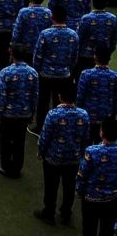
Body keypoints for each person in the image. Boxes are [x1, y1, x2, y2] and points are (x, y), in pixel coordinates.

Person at [35, 88, 88, 226]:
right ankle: (66, 213)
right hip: (73, 159)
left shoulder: (53, 114)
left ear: (59, 97)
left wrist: (41, 151)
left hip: (53, 158)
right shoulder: (84, 115)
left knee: (51, 186)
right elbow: (85, 138)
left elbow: (45, 136)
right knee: (69, 187)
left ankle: (49, 212)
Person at [0, 44, 39, 178]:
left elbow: (1, 95)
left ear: (12, 54)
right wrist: (32, 113)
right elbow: (34, 95)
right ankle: (17, 168)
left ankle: (6, 166)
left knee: (6, 141)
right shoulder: (33, 73)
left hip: (8, 114)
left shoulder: (6, 72)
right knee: (20, 142)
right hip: (24, 113)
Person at [79, 116, 117, 236]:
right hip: (112, 199)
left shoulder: (92, 151)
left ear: (102, 132)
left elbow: (83, 174)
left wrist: (79, 190)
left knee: (89, 229)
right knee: (107, 233)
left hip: (91, 199)